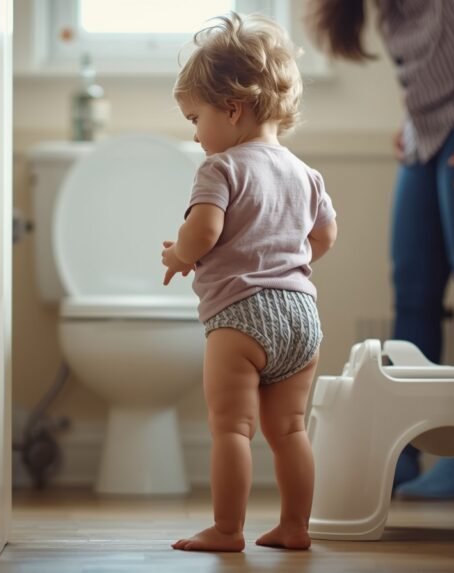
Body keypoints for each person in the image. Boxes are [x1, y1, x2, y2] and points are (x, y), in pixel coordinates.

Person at [161, 12, 337, 552]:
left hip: (240, 317)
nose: (195, 133)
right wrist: (283, 261)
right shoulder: (305, 173)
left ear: (232, 109)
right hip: (302, 317)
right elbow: (325, 237)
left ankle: (227, 529)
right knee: (290, 432)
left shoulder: (220, 169)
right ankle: (295, 527)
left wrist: (180, 254)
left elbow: (205, 228)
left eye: (196, 118)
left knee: (232, 430)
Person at [308, 0, 454, 499]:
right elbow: (426, 71)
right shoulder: (386, 8)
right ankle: (404, 450)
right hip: (422, 134)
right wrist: (410, 120)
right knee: (412, 289)